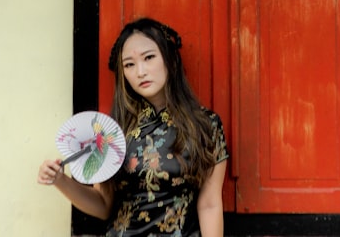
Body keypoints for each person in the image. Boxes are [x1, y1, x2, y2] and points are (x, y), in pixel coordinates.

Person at [39, 17, 228, 237]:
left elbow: (210, 204)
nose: (140, 72)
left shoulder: (205, 125)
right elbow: (103, 206)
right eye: (129, 64)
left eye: (149, 58)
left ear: (170, 60)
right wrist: (61, 180)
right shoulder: (111, 130)